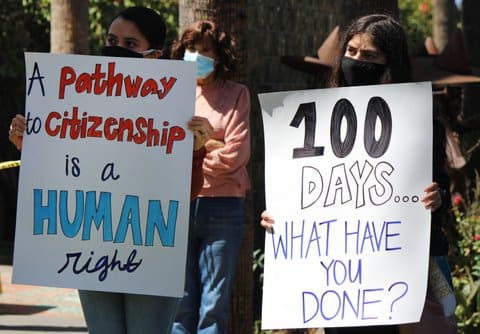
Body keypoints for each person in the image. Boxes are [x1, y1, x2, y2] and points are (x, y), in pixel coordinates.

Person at [9, 6, 213, 334]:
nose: (117, 48)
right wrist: (31, 145)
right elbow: (61, 171)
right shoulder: (78, 101)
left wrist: (196, 151)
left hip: (149, 253)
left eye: (130, 44)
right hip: (91, 252)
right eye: (111, 39)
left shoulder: (173, 111)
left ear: (155, 56)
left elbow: (186, 192)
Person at [261, 14, 456, 334]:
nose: (356, 61)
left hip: (403, 273)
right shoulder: (315, 121)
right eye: (351, 52)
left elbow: (441, 188)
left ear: (390, 62)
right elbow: (302, 190)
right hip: (344, 280)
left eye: (368, 56)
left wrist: (438, 197)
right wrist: (278, 215)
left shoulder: (419, 120)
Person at [170, 20, 251, 334]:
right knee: (180, 301)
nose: (196, 56)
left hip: (223, 207)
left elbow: (237, 156)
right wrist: (211, 143)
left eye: (205, 51)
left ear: (220, 57)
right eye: (191, 49)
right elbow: (163, 152)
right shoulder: (171, 93)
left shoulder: (237, 95)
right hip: (178, 203)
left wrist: (195, 152)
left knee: (214, 304)